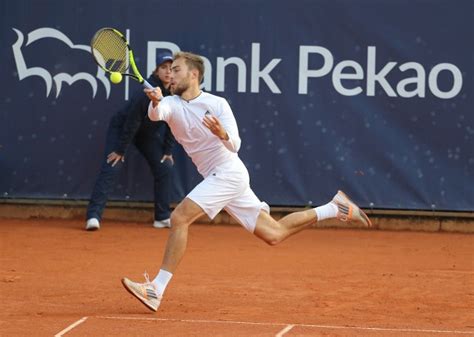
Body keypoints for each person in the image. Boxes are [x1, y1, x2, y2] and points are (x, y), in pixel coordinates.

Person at [121, 51, 372, 312]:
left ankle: (156, 289)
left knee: (180, 218)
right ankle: (335, 207)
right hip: (219, 177)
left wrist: (222, 133)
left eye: (177, 69)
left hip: (228, 172)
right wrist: (155, 101)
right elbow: (157, 113)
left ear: (194, 74)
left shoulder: (217, 104)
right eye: (169, 71)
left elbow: (235, 145)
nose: (170, 74)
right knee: (274, 234)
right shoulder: (170, 103)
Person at [85, 52, 176, 231]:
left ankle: (162, 217)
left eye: (171, 69)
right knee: (113, 165)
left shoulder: (173, 93)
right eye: (163, 67)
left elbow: (173, 122)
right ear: (156, 71)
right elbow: (132, 121)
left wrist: (167, 150)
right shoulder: (146, 93)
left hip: (147, 134)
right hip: (123, 129)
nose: (168, 72)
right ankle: (93, 216)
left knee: (164, 166)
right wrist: (120, 150)